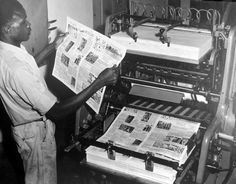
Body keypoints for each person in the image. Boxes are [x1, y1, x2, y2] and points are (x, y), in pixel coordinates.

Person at [0, 0, 119, 184]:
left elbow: (28, 64)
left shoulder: (8, 50)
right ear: (8, 29)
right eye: (23, 22)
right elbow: (56, 112)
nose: (29, 24)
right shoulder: (16, 69)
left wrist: (52, 46)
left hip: (27, 131)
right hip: (36, 136)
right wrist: (99, 82)